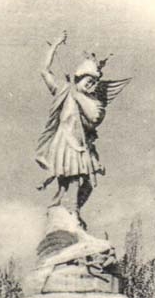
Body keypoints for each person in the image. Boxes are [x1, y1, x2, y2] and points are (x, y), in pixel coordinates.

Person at [36, 31, 131, 228]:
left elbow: (94, 118)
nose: (92, 85)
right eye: (89, 81)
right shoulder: (63, 91)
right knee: (70, 181)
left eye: (94, 83)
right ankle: (71, 214)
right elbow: (45, 70)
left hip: (82, 146)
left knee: (88, 183)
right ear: (79, 78)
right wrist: (54, 45)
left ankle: (71, 211)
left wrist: (78, 94)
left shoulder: (93, 102)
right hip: (65, 142)